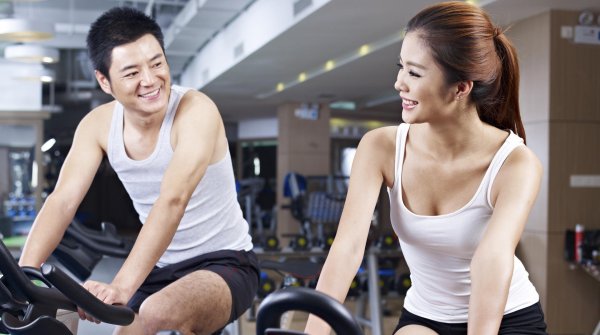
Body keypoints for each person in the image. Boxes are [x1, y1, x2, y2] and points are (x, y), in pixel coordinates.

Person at [304, 2, 547, 335]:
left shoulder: (516, 164)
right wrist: (314, 332)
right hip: (425, 315)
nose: (398, 83)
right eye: (401, 67)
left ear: (461, 87)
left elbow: (491, 262)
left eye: (414, 73)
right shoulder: (380, 147)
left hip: (505, 317)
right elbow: (347, 248)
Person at [19, 7, 258, 335]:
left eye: (157, 63)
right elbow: (62, 201)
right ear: (105, 81)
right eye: (131, 73)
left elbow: (173, 200)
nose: (150, 80)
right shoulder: (97, 125)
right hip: (161, 266)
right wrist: (23, 277)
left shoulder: (196, 111)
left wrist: (120, 287)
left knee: (155, 311)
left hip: (225, 262)